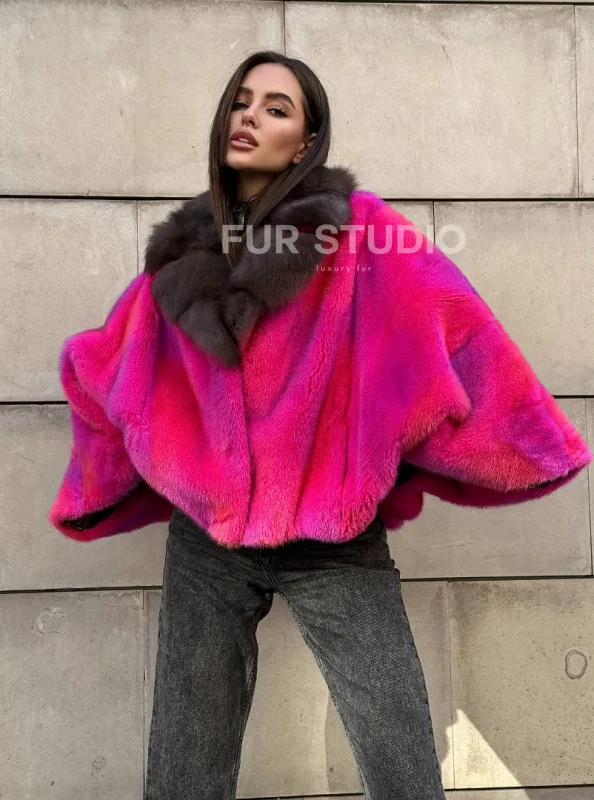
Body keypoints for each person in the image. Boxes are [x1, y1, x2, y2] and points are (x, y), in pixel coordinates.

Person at [48, 51, 592, 800]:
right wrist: (137, 462)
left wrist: (523, 439)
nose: (249, 117)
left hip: (335, 539)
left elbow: (449, 323)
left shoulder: (361, 232)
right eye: (241, 101)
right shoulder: (182, 252)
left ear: (306, 141)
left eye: (276, 108)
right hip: (207, 544)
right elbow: (122, 365)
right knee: (184, 774)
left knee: (402, 765)